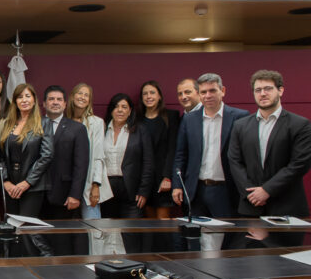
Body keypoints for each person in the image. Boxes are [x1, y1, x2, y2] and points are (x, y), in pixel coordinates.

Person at [229, 70, 311, 217]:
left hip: (287, 207)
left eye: (268, 89)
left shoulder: (300, 124)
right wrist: (252, 193)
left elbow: (300, 164)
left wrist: (267, 190)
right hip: (251, 206)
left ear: (280, 91)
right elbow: (235, 161)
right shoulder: (240, 125)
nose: (262, 93)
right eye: (258, 90)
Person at [173, 73, 249, 218]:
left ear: (223, 91)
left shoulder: (240, 117)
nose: (208, 95)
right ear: (199, 94)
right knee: (196, 237)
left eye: (212, 90)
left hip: (226, 190)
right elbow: (180, 155)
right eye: (203, 92)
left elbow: (247, 156)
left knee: (227, 236)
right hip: (196, 190)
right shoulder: (189, 120)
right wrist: (177, 185)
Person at [41, 85, 89, 256]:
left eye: (59, 99)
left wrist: (75, 194)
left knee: (63, 242)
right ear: (44, 103)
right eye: (51, 99)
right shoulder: (34, 126)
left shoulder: (77, 129)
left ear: (65, 103)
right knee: (40, 241)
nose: (55, 102)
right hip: (37, 194)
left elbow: (81, 165)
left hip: (64, 195)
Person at [0, 84, 52, 217]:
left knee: (26, 227)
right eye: (20, 97)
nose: (24, 100)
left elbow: (47, 155)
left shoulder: (44, 122)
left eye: (28, 96)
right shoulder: (7, 123)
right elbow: (0, 157)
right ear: (15, 101)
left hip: (32, 186)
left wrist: (27, 182)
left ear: (34, 100)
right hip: (11, 186)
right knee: (12, 227)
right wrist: (5, 181)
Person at [101, 93, 153, 219]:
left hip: (131, 188)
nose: (120, 110)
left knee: (130, 231)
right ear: (111, 110)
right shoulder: (102, 129)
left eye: (124, 107)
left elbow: (148, 162)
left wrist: (144, 191)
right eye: (116, 106)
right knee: (108, 230)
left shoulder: (140, 130)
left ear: (130, 111)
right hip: (106, 187)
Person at [66, 83, 110, 220]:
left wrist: (96, 185)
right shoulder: (63, 121)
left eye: (86, 95)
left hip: (88, 184)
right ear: (72, 97)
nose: (82, 97)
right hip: (66, 183)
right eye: (80, 93)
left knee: (94, 229)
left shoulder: (96, 123)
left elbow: (98, 156)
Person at [139, 81, 180, 219]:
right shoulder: (138, 120)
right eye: (145, 93)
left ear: (160, 96)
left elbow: (173, 148)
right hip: (144, 178)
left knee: (163, 224)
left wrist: (168, 176)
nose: (148, 96)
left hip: (163, 178)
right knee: (149, 225)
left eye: (152, 93)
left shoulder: (171, 116)